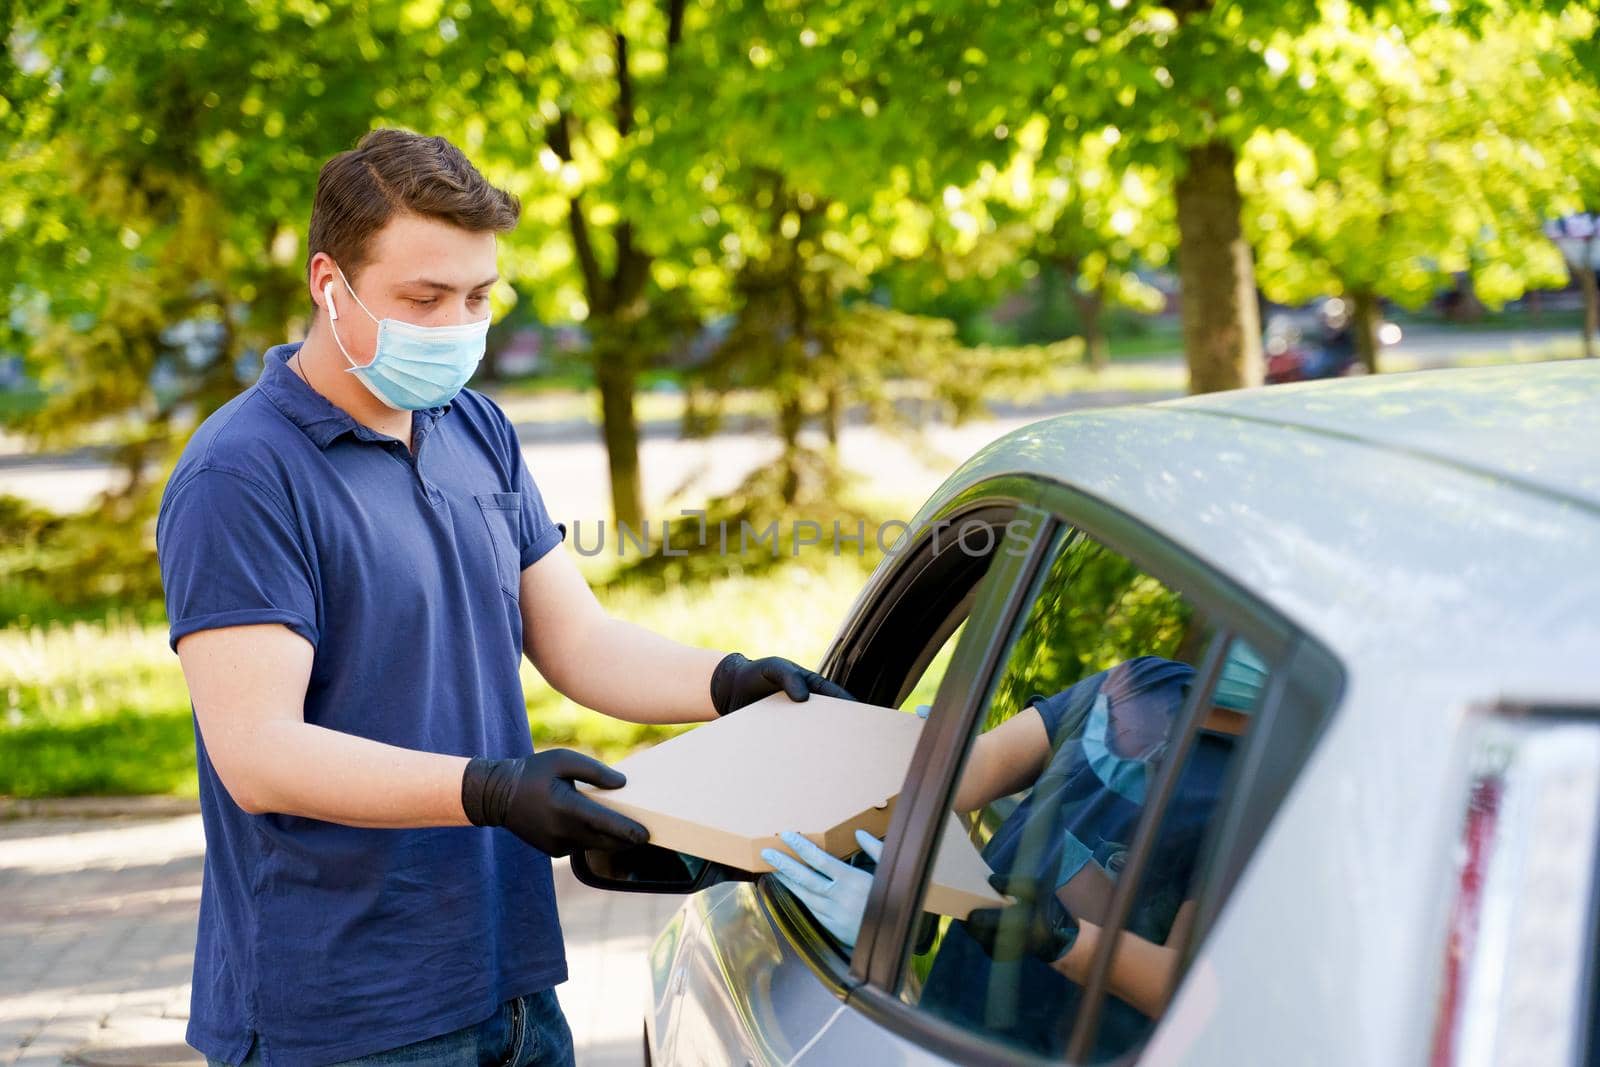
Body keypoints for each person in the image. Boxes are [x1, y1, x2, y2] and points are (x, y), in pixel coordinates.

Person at [156, 129, 849, 1067]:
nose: (455, 324)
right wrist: (489, 788)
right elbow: (262, 754)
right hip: (345, 1010)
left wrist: (730, 683)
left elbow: (577, 642)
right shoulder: (240, 473)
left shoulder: (472, 426)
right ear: (330, 283)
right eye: (423, 298)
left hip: (509, 981)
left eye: (478, 297)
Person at [763, 644, 1266, 1058]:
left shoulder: (1270, 792)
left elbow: (1180, 983)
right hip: (950, 1007)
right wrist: (905, 747)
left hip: (1050, 1046)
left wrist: (1064, 940)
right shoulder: (1147, 681)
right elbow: (979, 770)